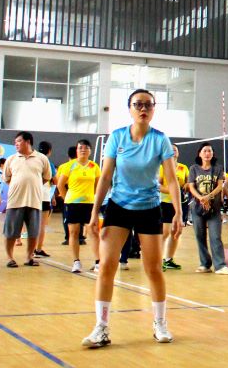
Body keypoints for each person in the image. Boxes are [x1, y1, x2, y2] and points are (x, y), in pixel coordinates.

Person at [82, 89, 182, 349]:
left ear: (153, 109)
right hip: (119, 207)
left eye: (148, 104)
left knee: (153, 268)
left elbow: (171, 179)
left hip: (149, 207)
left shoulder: (160, 140)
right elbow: (105, 177)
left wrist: (179, 213)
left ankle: (160, 323)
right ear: (129, 109)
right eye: (138, 104)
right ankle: (101, 327)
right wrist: (95, 211)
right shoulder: (117, 137)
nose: (143, 108)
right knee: (106, 266)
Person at [2, 131, 51, 268]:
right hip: (15, 201)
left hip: (34, 201)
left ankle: (29, 257)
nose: (15, 144)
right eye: (15, 141)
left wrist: (32, 184)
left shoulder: (41, 159)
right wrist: (19, 185)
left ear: (28, 141)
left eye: (18, 141)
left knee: (33, 232)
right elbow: (6, 178)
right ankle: (9, 257)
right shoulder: (11, 159)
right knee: (11, 232)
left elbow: (46, 177)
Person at [57, 139, 101, 274]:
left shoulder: (94, 166)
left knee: (93, 232)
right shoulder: (69, 166)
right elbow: (60, 185)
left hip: (89, 204)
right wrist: (66, 199)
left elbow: (98, 185)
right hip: (73, 204)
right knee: (74, 232)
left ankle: (98, 262)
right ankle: (76, 262)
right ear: (76, 150)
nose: (83, 150)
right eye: (80, 148)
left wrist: (92, 197)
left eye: (86, 148)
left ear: (90, 151)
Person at [187, 143, 228, 274]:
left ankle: (220, 265)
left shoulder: (218, 168)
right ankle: (205, 264)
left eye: (210, 151)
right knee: (200, 235)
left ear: (213, 154)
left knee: (215, 236)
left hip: (214, 208)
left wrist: (209, 197)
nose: (207, 153)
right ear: (200, 154)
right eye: (205, 151)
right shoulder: (194, 169)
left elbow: (220, 186)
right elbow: (191, 186)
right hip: (197, 208)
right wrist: (201, 198)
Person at [159, 143, 188, 271]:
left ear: (178, 153)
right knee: (165, 232)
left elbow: (187, 183)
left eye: (175, 150)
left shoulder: (183, 168)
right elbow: (157, 185)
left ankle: (169, 259)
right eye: (170, 150)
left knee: (176, 232)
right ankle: (157, 260)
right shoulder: (162, 167)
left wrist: (187, 186)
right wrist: (170, 190)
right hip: (165, 203)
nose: (173, 151)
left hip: (180, 204)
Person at [33, 140, 57, 258]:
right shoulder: (48, 162)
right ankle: (38, 249)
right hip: (43, 196)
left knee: (32, 224)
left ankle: (30, 249)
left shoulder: (34, 160)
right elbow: (55, 180)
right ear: (50, 151)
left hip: (31, 196)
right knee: (42, 225)